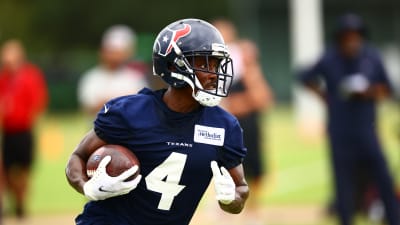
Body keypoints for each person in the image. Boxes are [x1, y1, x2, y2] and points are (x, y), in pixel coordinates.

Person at [66, 18, 249, 225]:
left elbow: (240, 189)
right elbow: (78, 157)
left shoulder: (224, 126)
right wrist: (86, 187)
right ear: (173, 65)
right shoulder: (130, 113)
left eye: (217, 63)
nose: (214, 74)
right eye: (205, 63)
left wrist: (230, 200)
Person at [298, 13, 399, 225]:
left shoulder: (372, 57)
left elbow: (387, 89)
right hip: (340, 132)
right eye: (347, 36)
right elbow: (304, 76)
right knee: (343, 185)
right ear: (340, 38)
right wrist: (325, 96)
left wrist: (368, 92)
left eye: (355, 36)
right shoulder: (330, 58)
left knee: (383, 178)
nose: (352, 41)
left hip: (367, 130)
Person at [213, 19, 274, 217]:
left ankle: (254, 208)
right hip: (221, 121)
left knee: (254, 165)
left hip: (245, 123)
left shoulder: (242, 59)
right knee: (218, 164)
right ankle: (223, 204)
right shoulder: (208, 62)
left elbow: (262, 98)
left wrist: (234, 105)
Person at [0, 39, 48, 218]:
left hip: (24, 131)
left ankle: (20, 203)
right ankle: (8, 202)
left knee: (24, 171)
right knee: (5, 170)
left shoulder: (30, 76)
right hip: (7, 131)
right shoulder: (3, 78)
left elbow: (38, 102)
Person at [78, 25, 149, 115]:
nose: (114, 56)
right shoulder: (91, 78)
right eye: (112, 51)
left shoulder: (135, 78)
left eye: (118, 52)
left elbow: (142, 106)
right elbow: (90, 108)